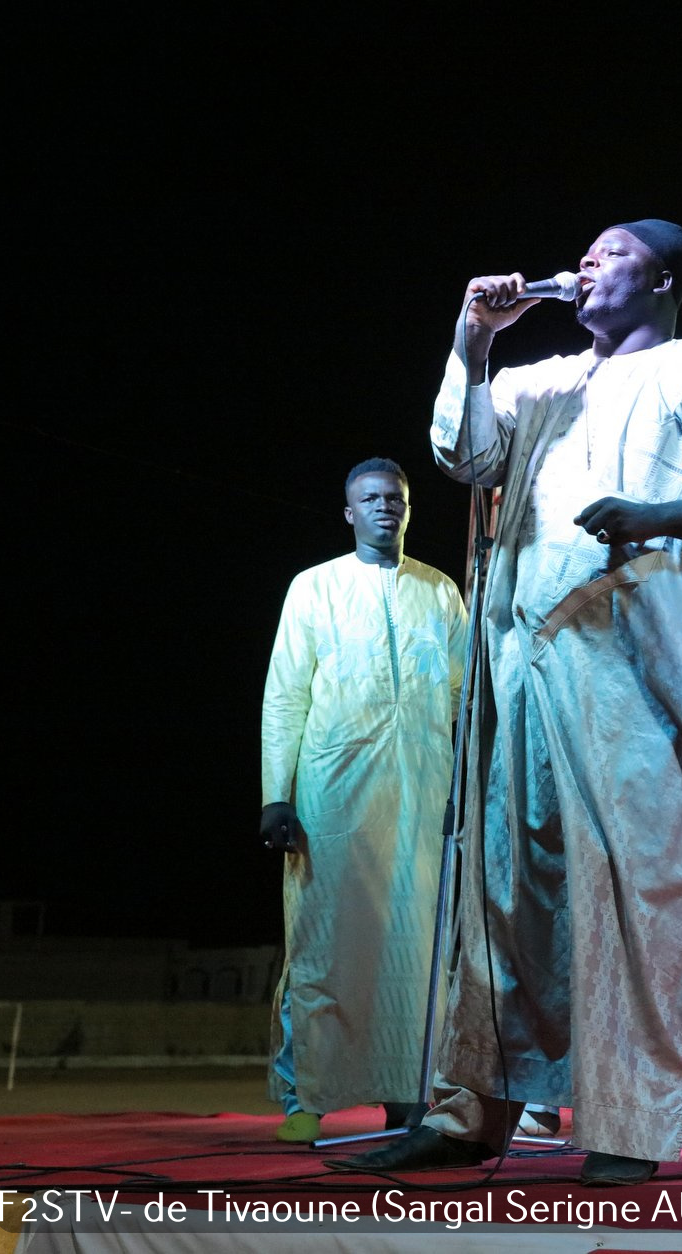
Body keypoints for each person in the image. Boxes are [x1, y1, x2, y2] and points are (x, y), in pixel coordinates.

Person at [335, 219, 682, 1185]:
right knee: (506, 890)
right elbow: (465, 457)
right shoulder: (541, 382)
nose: (590, 260)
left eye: (616, 250)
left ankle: (628, 1122)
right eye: (587, 251)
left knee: (639, 892)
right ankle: (469, 1110)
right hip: (526, 664)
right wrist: (475, 342)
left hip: (644, 666)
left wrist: (665, 516)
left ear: (665, 277)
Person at [260, 458, 467, 1143]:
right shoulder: (314, 588)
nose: (385, 508)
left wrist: (467, 793)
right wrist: (275, 796)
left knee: (417, 951)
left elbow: (467, 701)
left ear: (409, 510)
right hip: (332, 798)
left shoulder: (440, 593)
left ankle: (409, 1093)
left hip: (423, 794)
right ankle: (305, 1100)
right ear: (349, 512)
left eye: (395, 499)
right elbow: (286, 694)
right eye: (371, 499)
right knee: (323, 946)